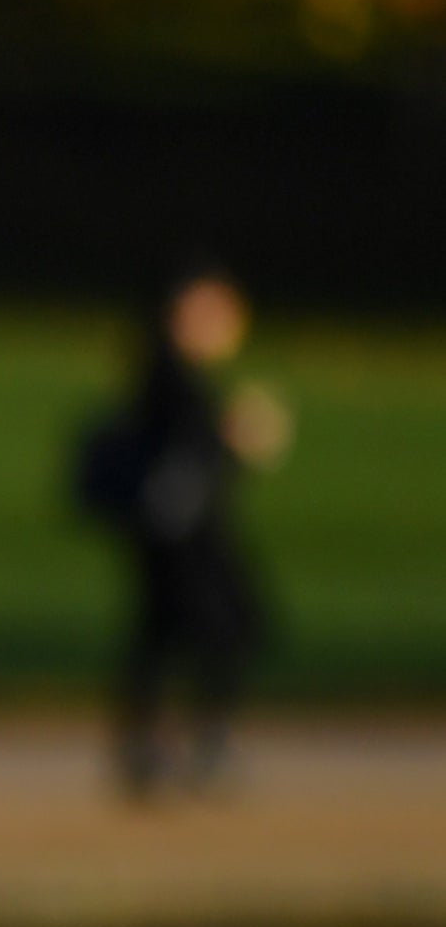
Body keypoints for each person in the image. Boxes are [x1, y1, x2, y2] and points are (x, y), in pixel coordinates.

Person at [73, 266, 293, 798]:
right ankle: (196, 744)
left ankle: (151, 745)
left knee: (166, 630)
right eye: (215, 310)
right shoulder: (171, 377)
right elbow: (189, 458)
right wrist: (238, 438)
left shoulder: (165, 372)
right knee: (223, 625)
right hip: (183, 533)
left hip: (173, 529)